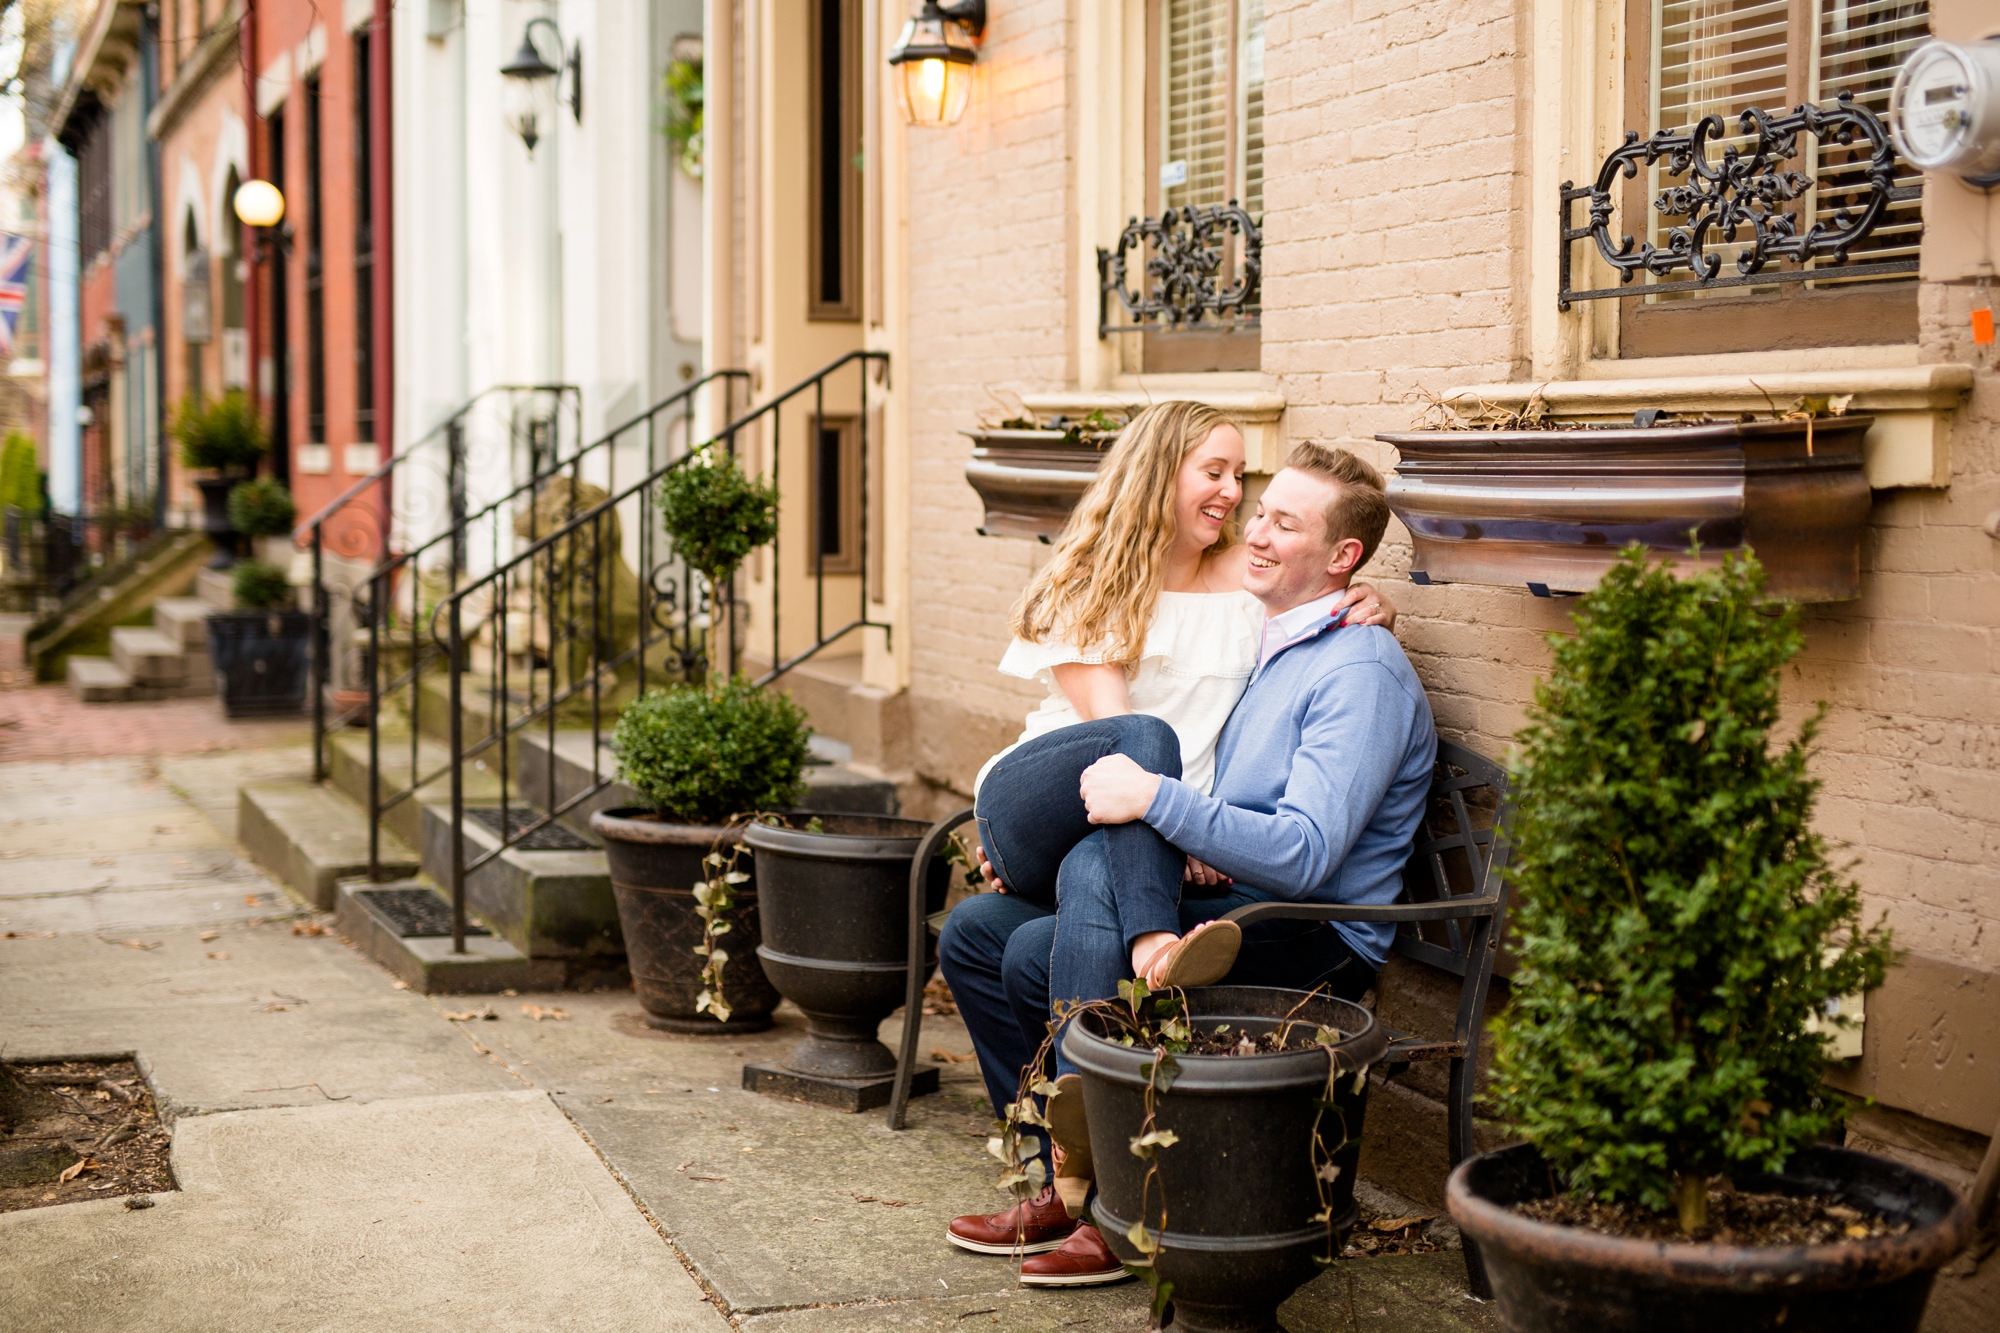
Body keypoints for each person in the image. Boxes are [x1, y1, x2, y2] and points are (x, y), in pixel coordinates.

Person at [941, 443, 1438, 1286]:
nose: (1258, 529)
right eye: (1261, 510)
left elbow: (1307, 854)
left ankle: (1110, 1200)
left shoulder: (1361, 669)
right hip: (1232, 893)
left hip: (1312, 931)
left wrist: (1165, 806)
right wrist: (1192, 832)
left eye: (1286, 521)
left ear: (1343, 557)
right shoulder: (1276, 643)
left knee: (1046, 935)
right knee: (979, 934)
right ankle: (1065, 1164)